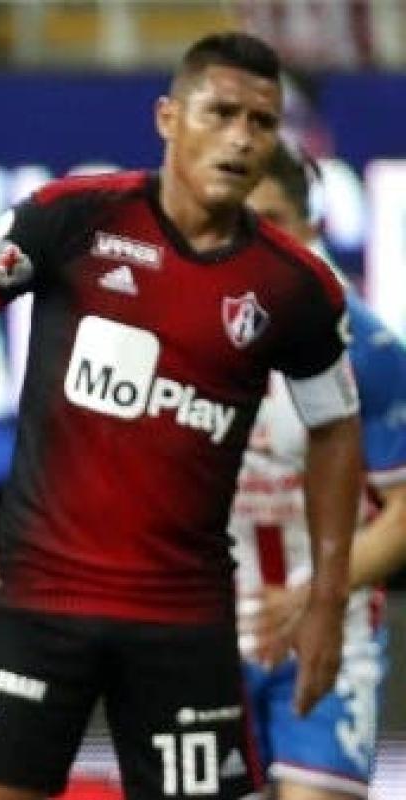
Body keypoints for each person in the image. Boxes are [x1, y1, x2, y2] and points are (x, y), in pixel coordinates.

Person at [0, 32, 363, 800]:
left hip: (182, 622)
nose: (241, 138)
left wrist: (326, 597)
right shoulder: (74, 218)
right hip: (39, 601)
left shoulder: (293, 287)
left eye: (260, 122)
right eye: (220, 113)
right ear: (167, 118)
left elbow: (335, 427)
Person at [233, 144, 406, 799]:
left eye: (274, 222)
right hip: (200, 631)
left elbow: (403, 512)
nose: (257, 244)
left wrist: (317, 593)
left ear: (310, 229)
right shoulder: (176, 334)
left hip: (328, 625)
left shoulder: (367, 347)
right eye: (240, 224)